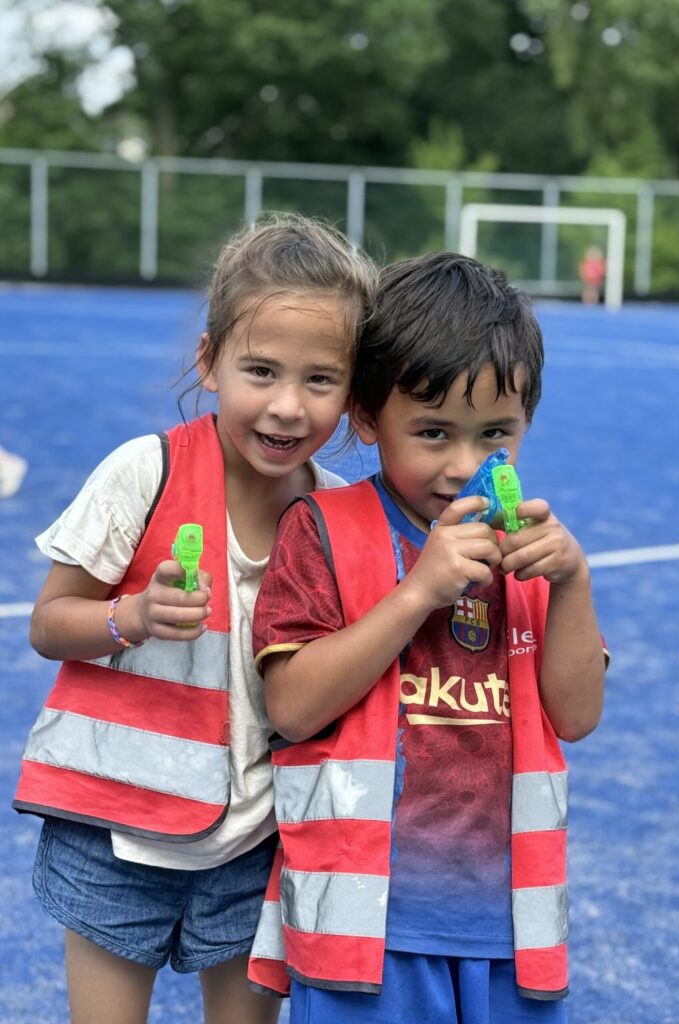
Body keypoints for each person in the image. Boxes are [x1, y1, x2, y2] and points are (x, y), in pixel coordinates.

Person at [13, 213, 377, 1024]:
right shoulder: (145, 470)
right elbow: (48, 624)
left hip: (255, 841)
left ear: (353, 394)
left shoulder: (331, 516)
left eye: (320, 380)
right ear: (210, 363)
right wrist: (130, 616)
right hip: (114, 836)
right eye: (261, 371)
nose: (287, 406)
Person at [246, 252, 607, 1023]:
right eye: (434, 432)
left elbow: (575, 715)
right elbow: (292, 707)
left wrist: (573, 583)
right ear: (369, 417)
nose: (466, 466)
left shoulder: (530, 548)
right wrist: (416, 594)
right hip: (366, 930)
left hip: (510, 925)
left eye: (496, 435)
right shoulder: (322, 531)